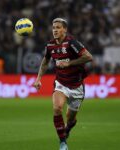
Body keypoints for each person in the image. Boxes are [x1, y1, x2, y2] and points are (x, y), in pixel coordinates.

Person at [33, 18, 93, 150]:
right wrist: (38, 79)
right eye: (53, 27)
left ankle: (68, 129)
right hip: (61, 84)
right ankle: (63, 142)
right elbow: (45, 61)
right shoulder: (50, 46)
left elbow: (89, 57)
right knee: (57, 108)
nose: (55, 30)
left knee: (70, 119)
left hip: (77, 86)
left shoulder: (72, 43)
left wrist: (69, 63)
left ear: (64, 30)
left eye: (58, 27)